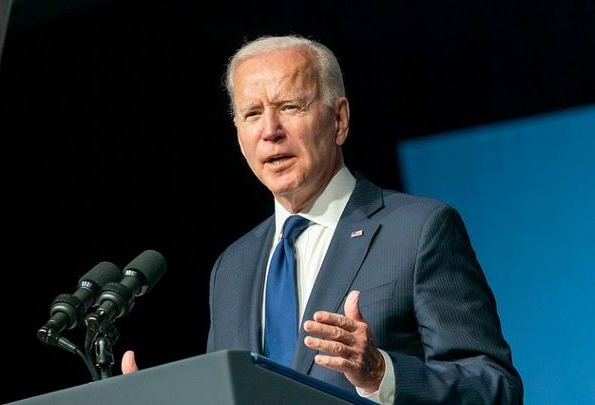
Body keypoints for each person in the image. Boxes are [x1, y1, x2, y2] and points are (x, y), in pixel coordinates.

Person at [123, 34, 523, 404]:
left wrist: (381, 373)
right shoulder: (232, 266)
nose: (271, 131)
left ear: (339, 119)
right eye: (252, 114)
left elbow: (493, 386)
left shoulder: (418, 230)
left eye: (290, 107)